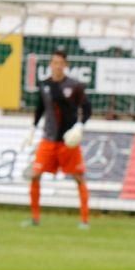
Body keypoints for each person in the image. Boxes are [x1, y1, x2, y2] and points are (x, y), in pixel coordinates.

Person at [23, 48, 92, 229]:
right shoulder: (44, 85)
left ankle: (84, 220)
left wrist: (80, 125)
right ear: (50, 65)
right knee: (35, 175)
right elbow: (40, 109)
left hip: (68, 142)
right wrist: (32, 128)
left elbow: (87, 109)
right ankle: (35, 218)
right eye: (54, 63)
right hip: (48, 139)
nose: (57, 66)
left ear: (66, 65)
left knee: (79, 178)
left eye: (61, 63)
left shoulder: (75, 86)